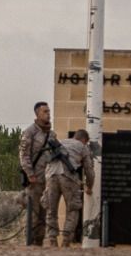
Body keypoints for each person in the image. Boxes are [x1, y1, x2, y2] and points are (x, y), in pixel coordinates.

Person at [43, 128, 95, 247]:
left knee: (51, 209)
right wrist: (89, 187)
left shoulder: (60, 142)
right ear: (84, 140)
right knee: (72, 209)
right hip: (69, 178)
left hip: (51, 177)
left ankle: (52, 240)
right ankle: (66, 240)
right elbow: (89, 170)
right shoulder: (82, 147)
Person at [19, 101, 55, 247]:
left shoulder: (51, 134)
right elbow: (24, 154)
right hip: (34, 180)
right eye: (45, 112)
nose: (48, 114)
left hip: (48, 179)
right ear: (37, 114)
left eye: (49, 111)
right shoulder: (30, 132)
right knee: (33, 214)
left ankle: (39, 243)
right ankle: (30, 242)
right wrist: (30, 174)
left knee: (44, 214)